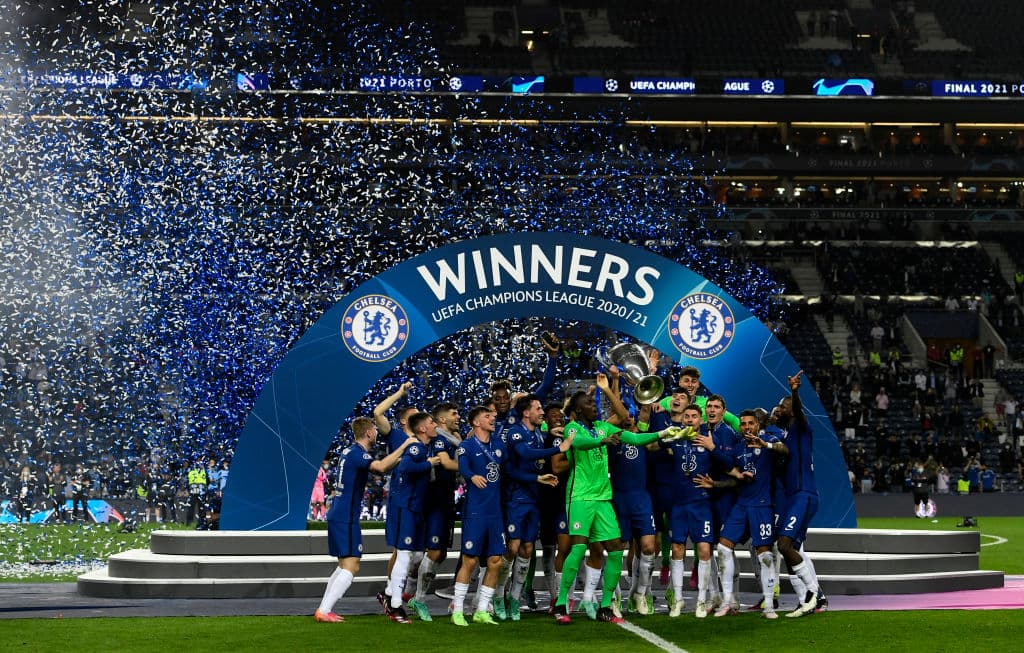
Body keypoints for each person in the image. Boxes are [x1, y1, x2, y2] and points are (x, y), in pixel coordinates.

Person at [552, 382, 681, 625]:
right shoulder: (571, 428)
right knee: (578, 548)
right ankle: (561, 603)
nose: (594, 406)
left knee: (615, 549)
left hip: (603, 498)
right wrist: (602, 442)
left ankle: (606, 606)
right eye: (589, 404)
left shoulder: (602, 427)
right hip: (580, 496)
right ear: (578, 411)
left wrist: (664, 434)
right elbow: (578, 443)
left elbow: (634, 437)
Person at [451, 405, 562, 626]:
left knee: (494, 561)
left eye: (492, 416)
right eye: (487, 416)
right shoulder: (467, 445)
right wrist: (472, 476)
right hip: (475, 511)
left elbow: (511, 470)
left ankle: (483, 610)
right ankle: (458, 609)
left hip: (496, 512)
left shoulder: (499, 446)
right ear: (476, 422)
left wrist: (536, 478)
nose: (492, 419)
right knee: (470, 560)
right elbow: (462, 467)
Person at [315, 417, 414, 623]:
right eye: (375, 430)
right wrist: (405, 444)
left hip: (339, 512)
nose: (377, 433)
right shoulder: (359, 454)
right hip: (346, 516)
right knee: (352, 565)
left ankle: (324, 609)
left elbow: (385, 465)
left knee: (343, 565)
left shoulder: (349, 452)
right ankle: (324, 610)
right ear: (368, 433)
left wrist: (402, 458)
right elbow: (379, 467)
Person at [704, 409, 788, 620]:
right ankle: (728, 601)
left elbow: (785, 451)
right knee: (723, 547)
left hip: (762, 505)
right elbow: (733, 474)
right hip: (741, 504)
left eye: (751, 423)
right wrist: (717, 483)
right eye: (743, 424)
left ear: (758, 424)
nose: (747, 427)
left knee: (765, 555)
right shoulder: (739, 447)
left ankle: (769, 605)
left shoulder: (768, 440)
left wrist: (765, 445)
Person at [498, 393, 574, 621]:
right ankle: (498, 595)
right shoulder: (514, 433)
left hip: (533, 500)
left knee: (527, 550)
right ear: (526, 412)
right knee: (512, 549)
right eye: (538, 408)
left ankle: (514, 597)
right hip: (515, 499)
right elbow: (524, 455)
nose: (542, 412)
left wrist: (551, 436)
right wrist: (559, 449)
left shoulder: (539, 435)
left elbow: (537, 449)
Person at [378, 412, 441, 623]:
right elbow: (405, 466)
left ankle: (389, 592)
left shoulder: (423, 447)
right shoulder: (416, 447)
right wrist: (429, 464)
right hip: (405, 506)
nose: (435, 425)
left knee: (413, 555)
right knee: (404, 555)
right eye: (432, 422)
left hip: (412, 507)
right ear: (422, 428)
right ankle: (396, 605)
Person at [659, 404, 718, 618]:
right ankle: (678, 600)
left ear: (700, 420)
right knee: (677, 550)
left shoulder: (708, 440)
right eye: (687, 416)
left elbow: (725, 463)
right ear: (682, 419)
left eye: (694, 416)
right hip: (679, 504)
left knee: (703, 550)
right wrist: (673, 434)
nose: (690, 419)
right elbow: (657, 443)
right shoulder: (675, 439)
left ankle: (701, 600)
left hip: (701, 504)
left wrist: (715, 483)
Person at [774, 371, 824, 618]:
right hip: (797, 497)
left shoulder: (801, 427)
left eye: (783, 407)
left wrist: (794, 392)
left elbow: (799, 413)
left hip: (804, 495)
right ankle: (813, 597)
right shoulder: (786, 434)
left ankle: (813, 594)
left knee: (784, 545)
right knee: (791, 546)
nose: (780, 409)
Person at [407, 402, 462, 622]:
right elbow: (447, 464)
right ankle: (416, 597)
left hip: (446, 500)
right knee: (434, 552)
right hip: (435, 500)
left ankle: (412, 592)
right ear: (441, 420)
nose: (458, 416)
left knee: (439, 553)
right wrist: (477, 466)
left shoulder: (452, 438)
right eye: (454, 414)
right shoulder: (440, 439)